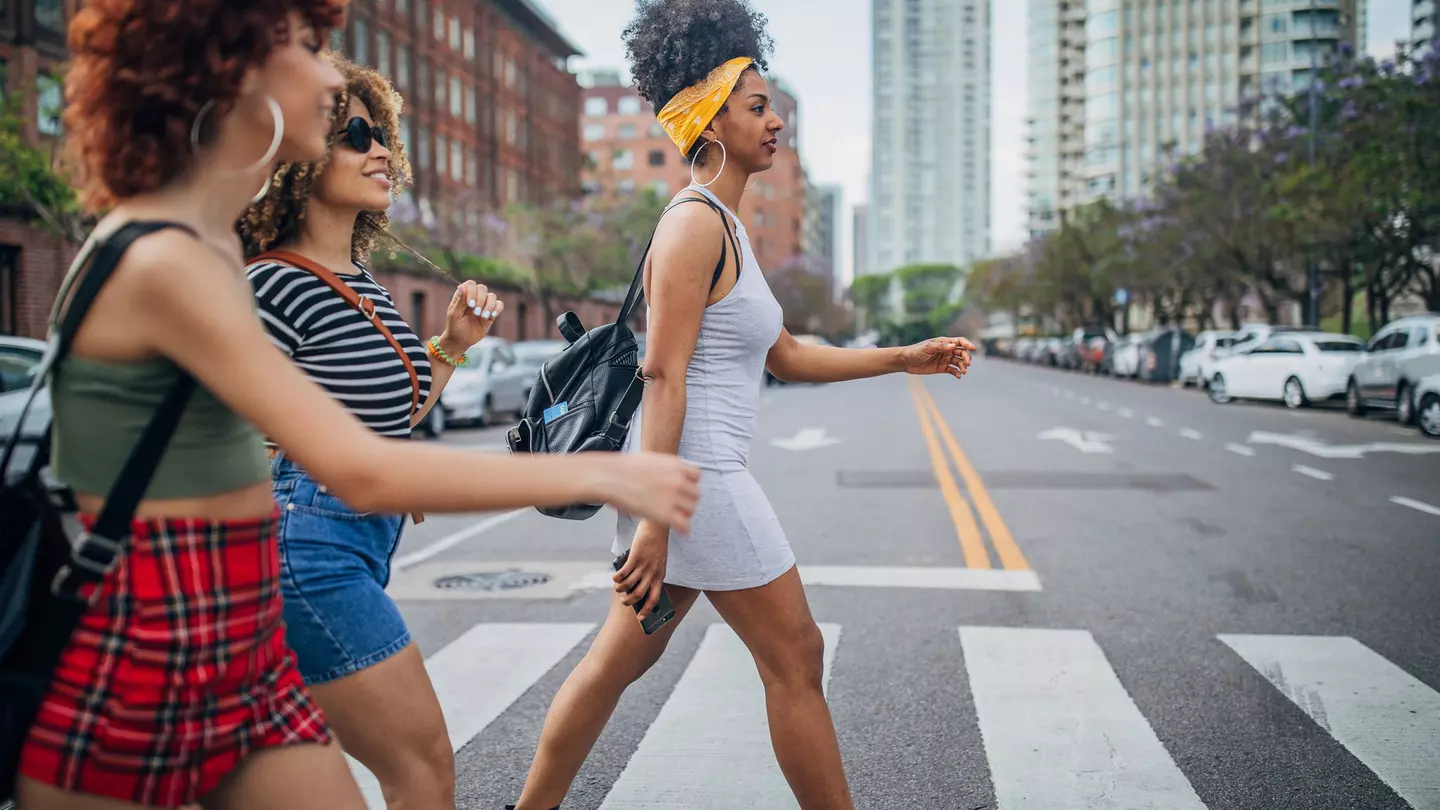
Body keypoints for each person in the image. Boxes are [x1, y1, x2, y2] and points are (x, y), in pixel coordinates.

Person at [16, 3, 700, 809]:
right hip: (156, 661)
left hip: (241, 643)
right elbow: (363, 471)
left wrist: (442, 354)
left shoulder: (195, 249)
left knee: (423, 772)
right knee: (423, 770)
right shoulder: (168, 260)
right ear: (227, 68)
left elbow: (352, 439)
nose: (326, 75)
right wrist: (610, 476)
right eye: (307, 48)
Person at [508, 2, 975, 809]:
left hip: (682, 490)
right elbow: (661, 374)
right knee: (796, 659)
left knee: (616, 665)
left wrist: (908, 357)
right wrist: (656, 517)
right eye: (758, 106)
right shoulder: (693, 226)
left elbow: (784, 355)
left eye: (773, 106)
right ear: (711, 124)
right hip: (699, 485)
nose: (778, 121)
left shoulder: (726, 226)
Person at [236, 54, 492, 810]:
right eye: (352, 134)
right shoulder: (272, 282)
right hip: (307, 544)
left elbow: (393, 414)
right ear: (295, 159)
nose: (379, 150)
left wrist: (450, 345)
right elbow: (229, 424)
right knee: (423, 764)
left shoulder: (363, 284)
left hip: (353, 538)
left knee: (292, 778)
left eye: (379, 134)